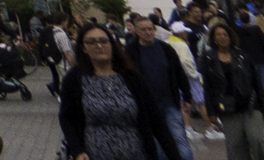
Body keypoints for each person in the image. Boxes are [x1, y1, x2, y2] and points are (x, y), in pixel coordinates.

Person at [61, 20, 180, 160]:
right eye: (91, 42)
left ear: (112, 45)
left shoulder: (132, 78)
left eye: (104, 41)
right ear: (83, 48)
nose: (99, 46)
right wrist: (77, 151)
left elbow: (156, 121)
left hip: (137, 154)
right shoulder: (75, 78)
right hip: (95, 154)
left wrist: (175, 156)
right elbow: (66, 118)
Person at [128, 16, 197, 160]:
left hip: (169, 102)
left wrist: (187, 96)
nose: (148, 32)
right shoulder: (131, 51)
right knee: (158, 145)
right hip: (147, 107)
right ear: (136, 31)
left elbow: (179, 73)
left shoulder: (166, 49)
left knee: (179, 140)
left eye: (150, 29)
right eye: (143, 29)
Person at [202, 20, 264, 160]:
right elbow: (208, 88)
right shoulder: (209, 58)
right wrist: (211, 112)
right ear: (214, 39)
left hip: (251, 106)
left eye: (225, 34)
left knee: (256, 140)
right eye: (219, 35)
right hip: (228, 110)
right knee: (235, 148)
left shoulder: (242, 56)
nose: (223, 37)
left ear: (230, 37)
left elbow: (257, 83)